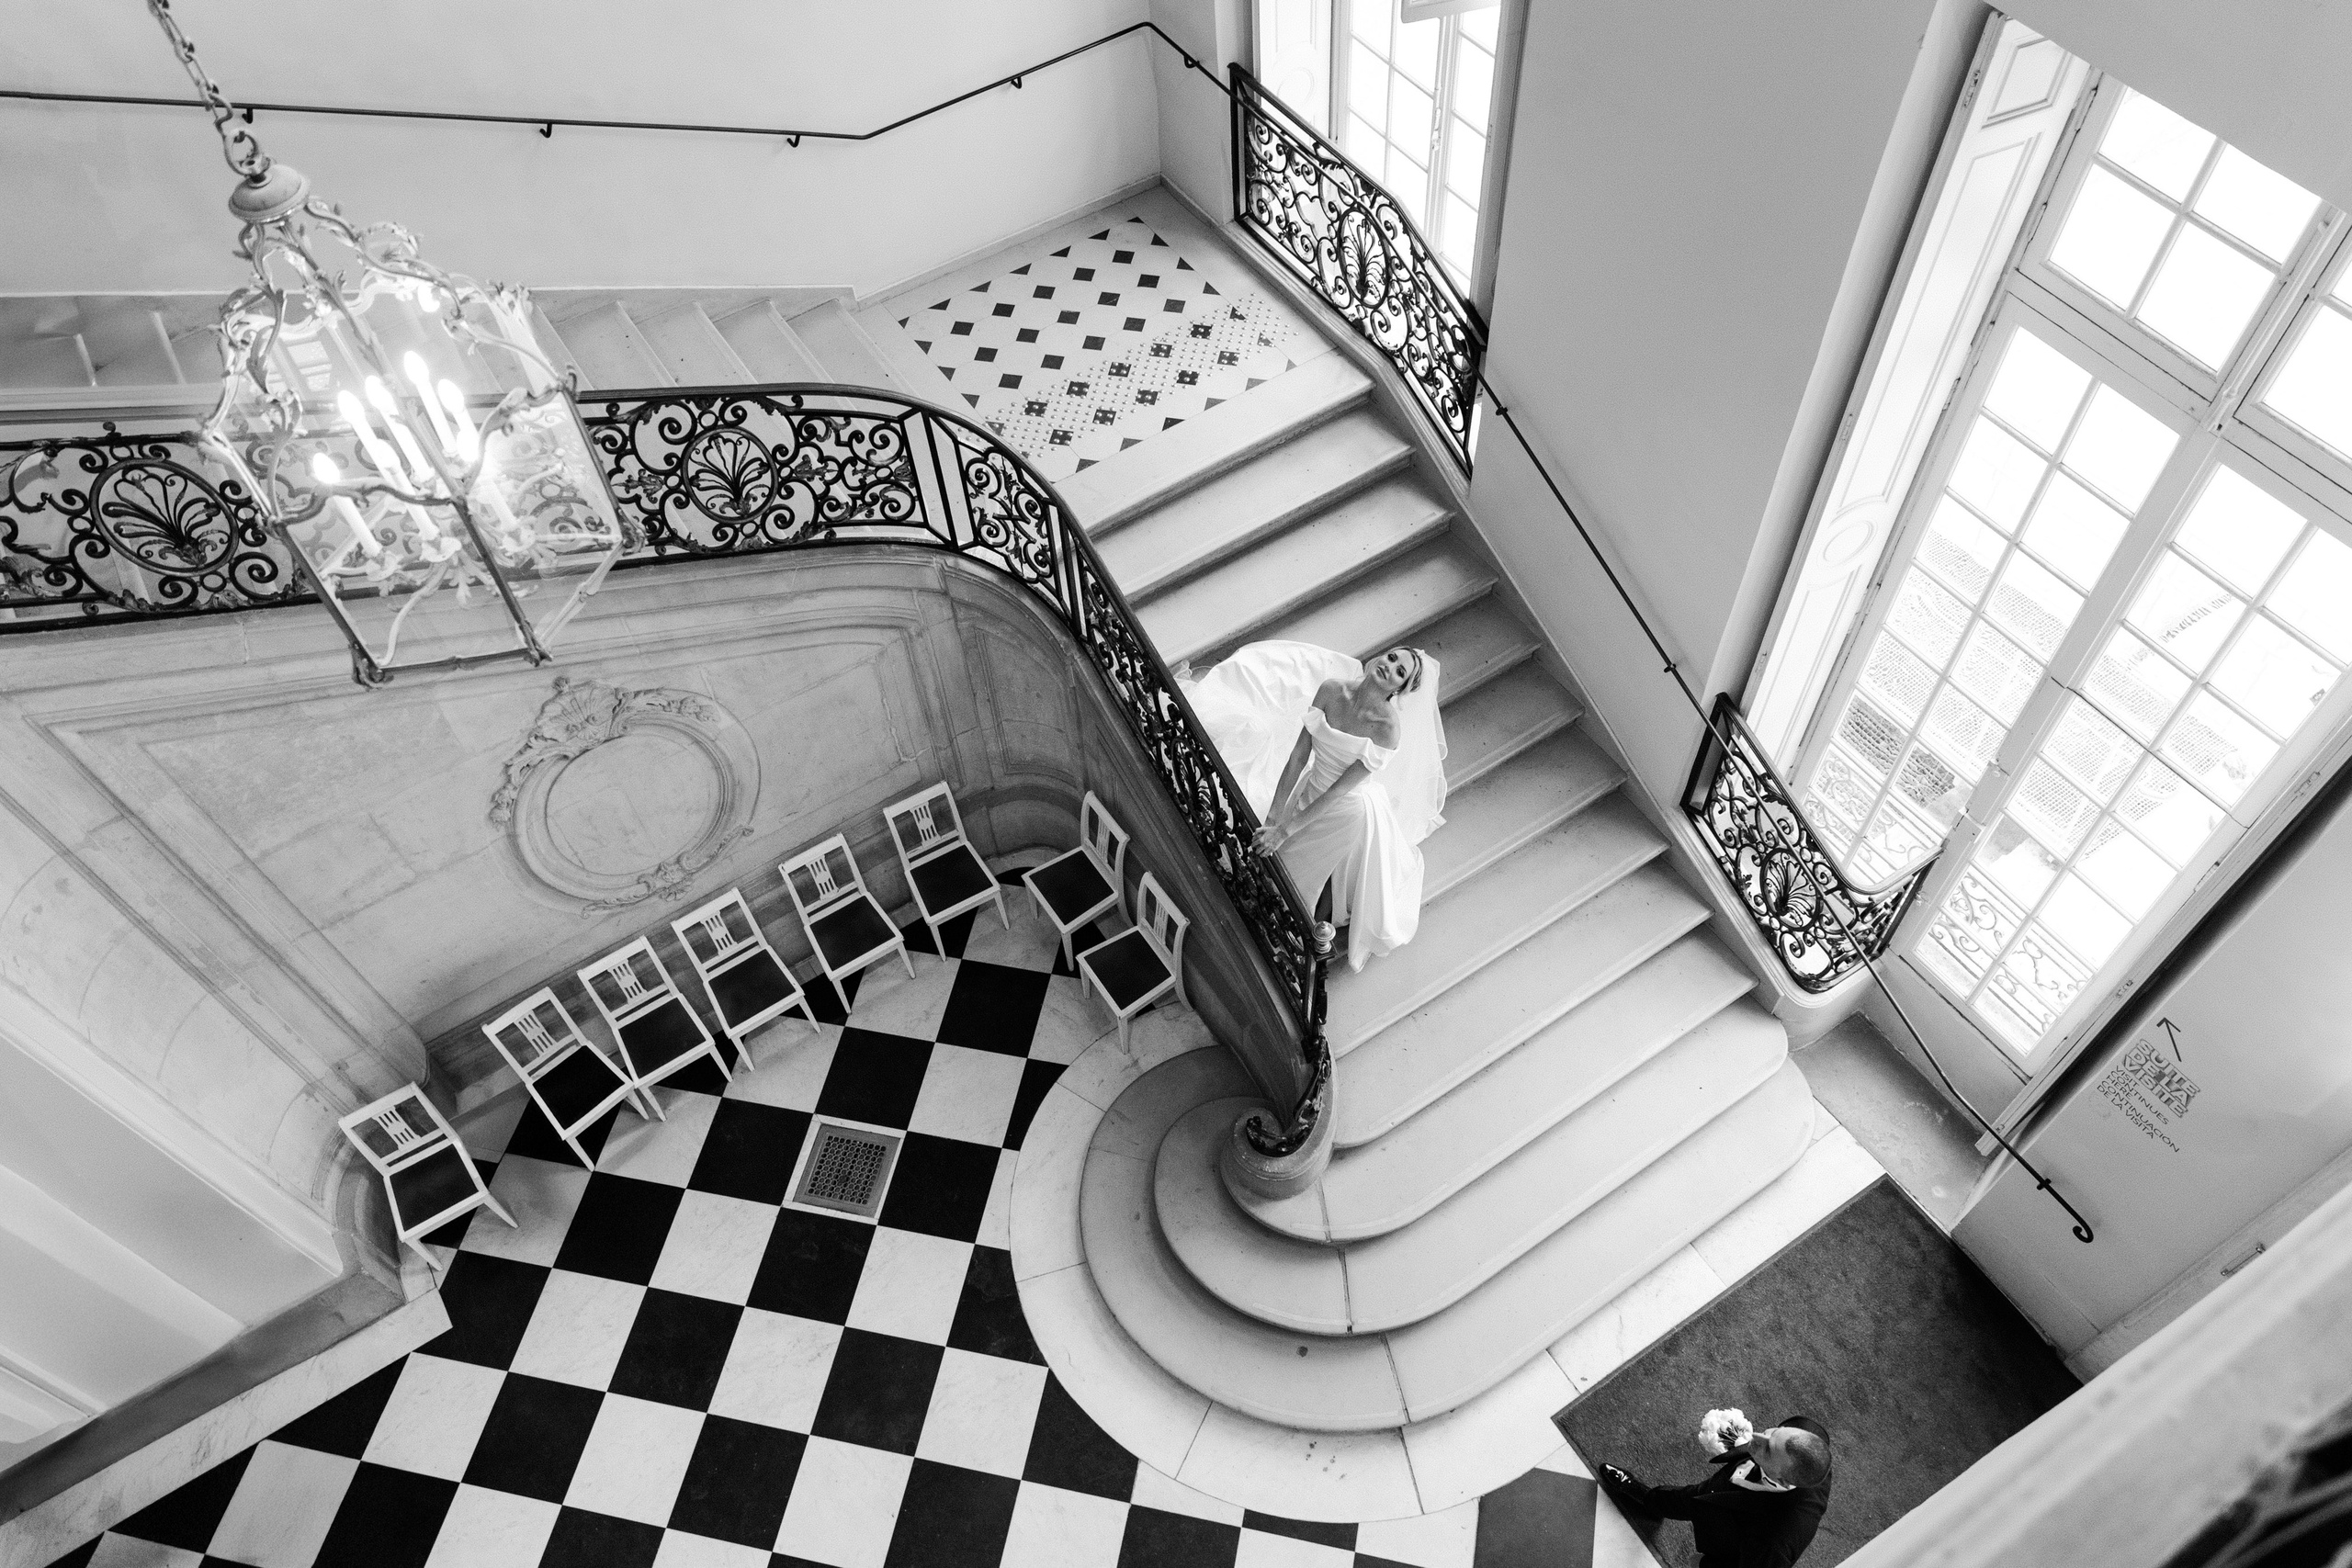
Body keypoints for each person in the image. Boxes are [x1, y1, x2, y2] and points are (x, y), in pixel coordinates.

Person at [1177, 640, 1446, 971]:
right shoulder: (1331, 690)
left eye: (1399, 672)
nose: (1389, 667)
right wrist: (1276, 815)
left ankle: (1277, 940)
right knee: (1264, 849)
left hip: (1345, 811)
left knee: (1292, 874)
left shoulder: (1387, 730)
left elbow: (1337, 792)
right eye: (1391, 658)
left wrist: (1285, 830)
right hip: (1310, 784)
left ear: (1400, 690)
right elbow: (1297, 757)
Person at [1597, 1416, 1834, 1568]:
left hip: (1728, 1531)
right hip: (1716, 1490)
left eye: (1769, 1449)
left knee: (1697, 1504)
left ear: (1782, 1478)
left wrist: (1705, 1566)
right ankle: (1649, 1501)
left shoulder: (1775, 1543)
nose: (1758, 1436)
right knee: (1684, 1498)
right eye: (1775, 1431)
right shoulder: (1805, 1429)